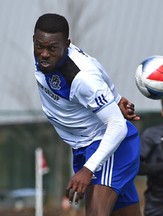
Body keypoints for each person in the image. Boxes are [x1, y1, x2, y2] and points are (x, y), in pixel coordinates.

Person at [33, 13, 142, 216]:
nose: (44, 54)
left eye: (52, 48)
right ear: (34, 41)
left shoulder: (82, 79)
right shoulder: (44, 55)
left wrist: (88, 169)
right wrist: (116, 98)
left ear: (66, 44)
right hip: (83, 146)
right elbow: (94, 63)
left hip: (108, 146)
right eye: (40, 46)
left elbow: (117, 125)